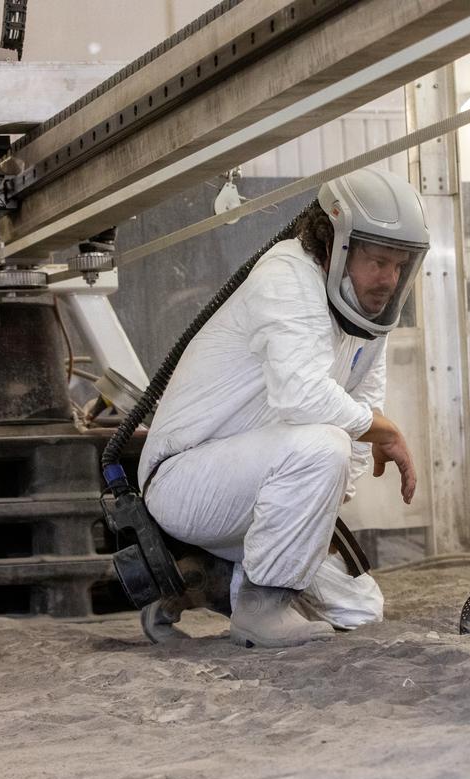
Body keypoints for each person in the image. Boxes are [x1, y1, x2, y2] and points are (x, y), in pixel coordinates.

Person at [138, 167, 430, 648]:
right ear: (337, 245)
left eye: (400, 265)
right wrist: (385, 433)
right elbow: (304, 396)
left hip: (261, 483)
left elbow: (362, 408)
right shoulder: (286, 275)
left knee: (361, 611)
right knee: (323, 445)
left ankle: (213, 577)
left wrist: (315, 508)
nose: (389, 279)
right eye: (379, 261)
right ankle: (261, 607)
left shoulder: (369, 313)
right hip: (185, 480)